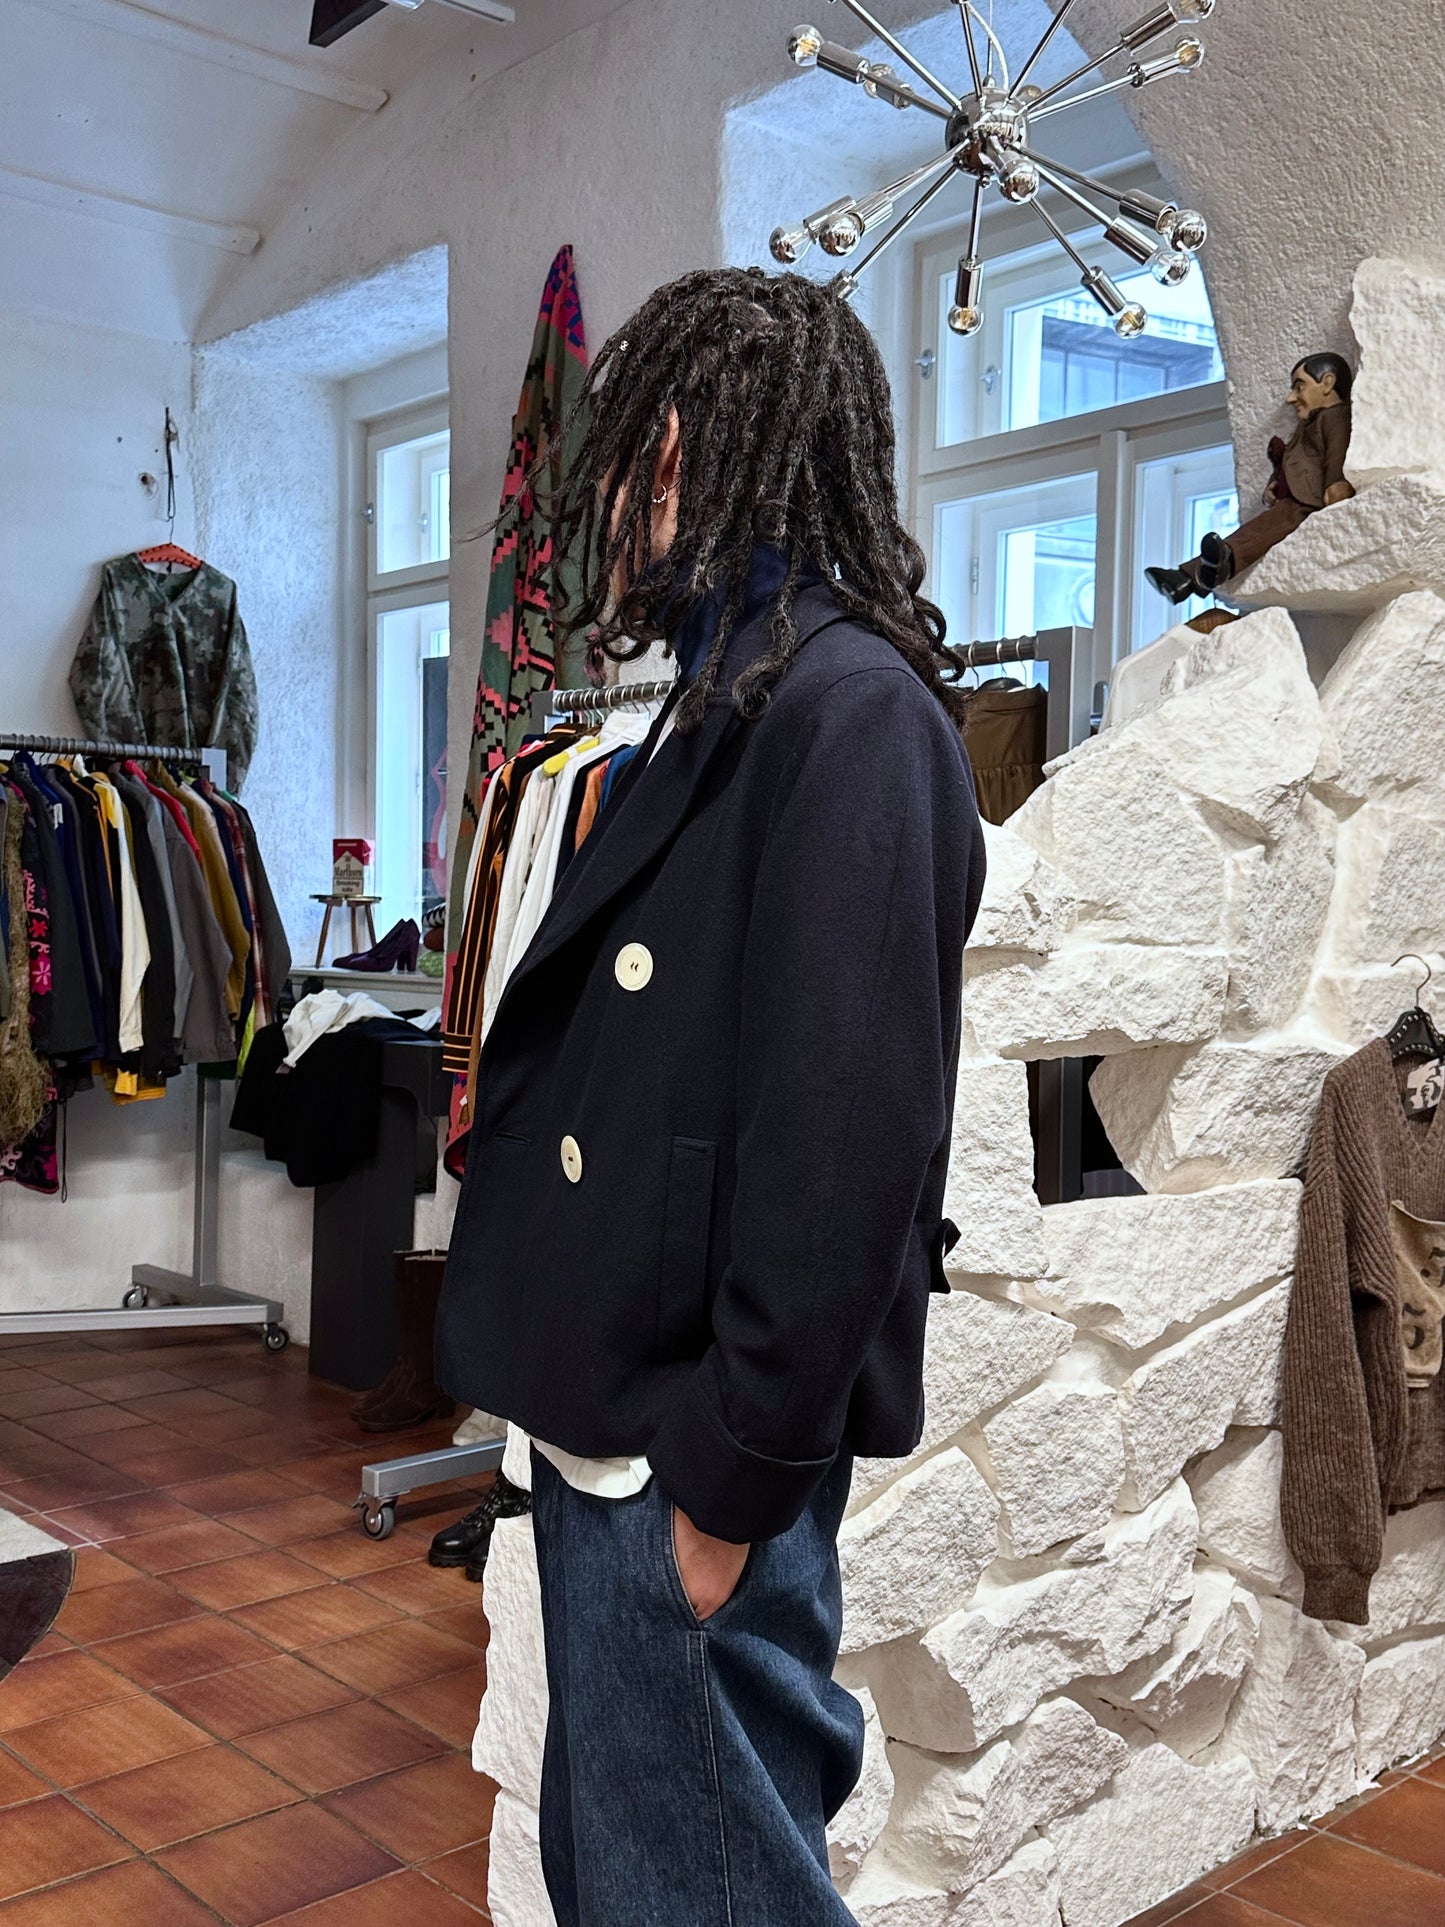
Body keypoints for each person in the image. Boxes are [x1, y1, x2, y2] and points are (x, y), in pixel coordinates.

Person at [435, 265, 985, 1925]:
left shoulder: (849, 711)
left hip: (682, 1455)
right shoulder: (735, 698)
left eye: (619, 456)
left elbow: (847, 1142)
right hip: (617, 1421)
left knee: (705, 1891)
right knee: (628, 1876)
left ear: (674, 448)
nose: (602, 502)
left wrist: (730, 1474)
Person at [1145, 352, 1355, 604]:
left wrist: (1335, 483)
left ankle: (1202, 572)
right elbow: (1297, 461)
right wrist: (1275, 483)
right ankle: (1189, 577)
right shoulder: (1307, 424)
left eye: (1299, 387)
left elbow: (1336, 453)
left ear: (1328, 383)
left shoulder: (1335, 418)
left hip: (1307, 502)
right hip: (1296, 499)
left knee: (1259, 532)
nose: (1290, 398)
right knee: (1256, 530)